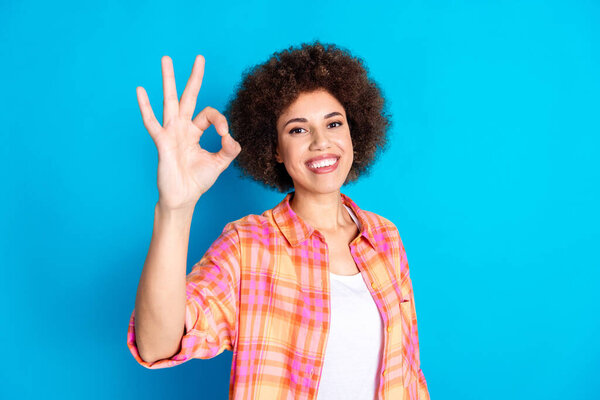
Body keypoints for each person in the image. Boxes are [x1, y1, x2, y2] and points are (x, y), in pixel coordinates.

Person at [126, 41, 430, 400]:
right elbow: (157, 345)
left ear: (354, 132)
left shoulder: (385, 238)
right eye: (298, 130)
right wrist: (175, 209)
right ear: (275, 150)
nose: (321, 142)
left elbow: (408, 376)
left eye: (334, 123)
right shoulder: (248, 245)